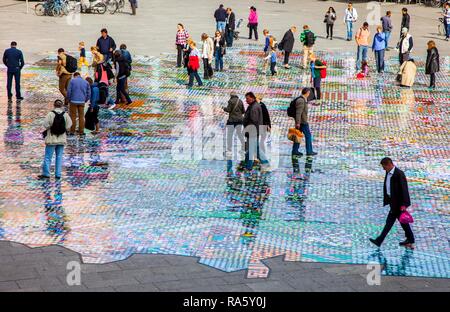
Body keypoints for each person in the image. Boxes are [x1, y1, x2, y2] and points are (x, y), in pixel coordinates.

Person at [369, 157, 415, 249]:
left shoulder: (399, 174)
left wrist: (404, 205)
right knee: (403, 223)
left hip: (398, 204)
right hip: (392, 202)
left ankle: (379, 240)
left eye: (384, 167)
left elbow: (404, 190)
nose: (383, 169)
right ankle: (410, 240)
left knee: (389, 223)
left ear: (389, 164)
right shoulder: (389, 172)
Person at [38, 100, 72, 180]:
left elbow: (45, 125)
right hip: (61, 139)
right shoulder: (65, 115)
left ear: (54, 105)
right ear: (61, 106)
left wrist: (51, 127)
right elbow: (69, 125)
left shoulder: (50, 114)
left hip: (51, 138)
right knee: (59, 157)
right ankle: (58, 174)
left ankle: (46, 174)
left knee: (48, 157)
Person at [292, 88, 317, 157]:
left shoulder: (302, 100)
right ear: (307, 93)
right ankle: (309, 151)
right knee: (308, 136)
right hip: (302, 122)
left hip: (301, 122)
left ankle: (295, 150)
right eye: (309, 93)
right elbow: (298, 113)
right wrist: (297, 123)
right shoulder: (301, 101)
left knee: (298, 136)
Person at [243, 92, 264, 170]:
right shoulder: (253, 106)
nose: (246, 100)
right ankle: (248, 163)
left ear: (252, 98)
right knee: (254, 149)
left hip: (252, 131)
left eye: (247, 98)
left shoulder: (254, 107)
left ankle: (249, 166)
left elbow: (254, 120)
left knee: (251, 150)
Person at [223, 91, 245, 160]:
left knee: (230, 135)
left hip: (232, 121)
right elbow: (243, 111)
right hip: (239, 121)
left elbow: (228, 110)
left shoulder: (230, 101)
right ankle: (244, 147)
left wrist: (224, 108)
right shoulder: (240, 101)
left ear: (231, 96)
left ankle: (229, 150)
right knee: (240, 134)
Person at [257, 95, 271, 165]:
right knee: (260, 141)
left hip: (262, 125)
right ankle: (261, 155)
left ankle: (262, 156)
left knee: (261, 141)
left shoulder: (262, 106)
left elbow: (266, 116)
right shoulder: (258, 105)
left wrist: (269, 126)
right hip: (259, 125)